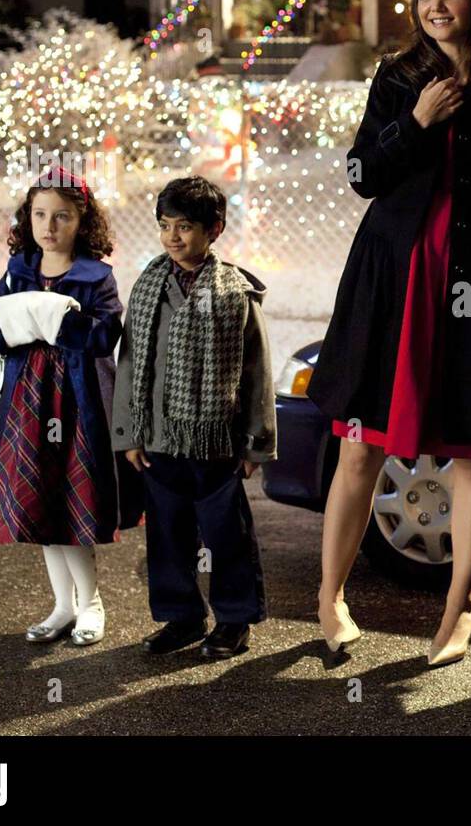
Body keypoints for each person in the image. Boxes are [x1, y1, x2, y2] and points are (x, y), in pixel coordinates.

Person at [306, 0, 471, 667]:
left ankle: (461, 607)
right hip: (391, 281)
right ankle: (330, 599)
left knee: (468, 446)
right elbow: (363, 174)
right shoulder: (399, 79)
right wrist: (415, 120)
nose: (435, 7)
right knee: (359, 443)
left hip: (467, 287)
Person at [0, 165, 139, 647]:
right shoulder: (18, 270)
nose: (49, 226)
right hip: (27, 404)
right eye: (40, 215)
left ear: (81, 222)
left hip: (76, 406)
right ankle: (63, 605)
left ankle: (91, 603)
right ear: (28, 218)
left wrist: (47, 320)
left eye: (62, 216)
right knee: (40, 500)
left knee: (72, 500)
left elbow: (105, 336)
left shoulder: (96, 276)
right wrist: (19, 321)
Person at [111, 176, 277, 659]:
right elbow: (130, 361)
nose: (173, 237)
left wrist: (255, 443)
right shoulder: (148, 288)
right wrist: (129, 431)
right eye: (165, 226)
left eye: (184, 226)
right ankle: (180, 617)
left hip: (217, 443)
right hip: (160, 439)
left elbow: (256, 372)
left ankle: (233, 620)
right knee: (167, 535)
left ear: (215, 228)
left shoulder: (234, 293)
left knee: (228, 536)